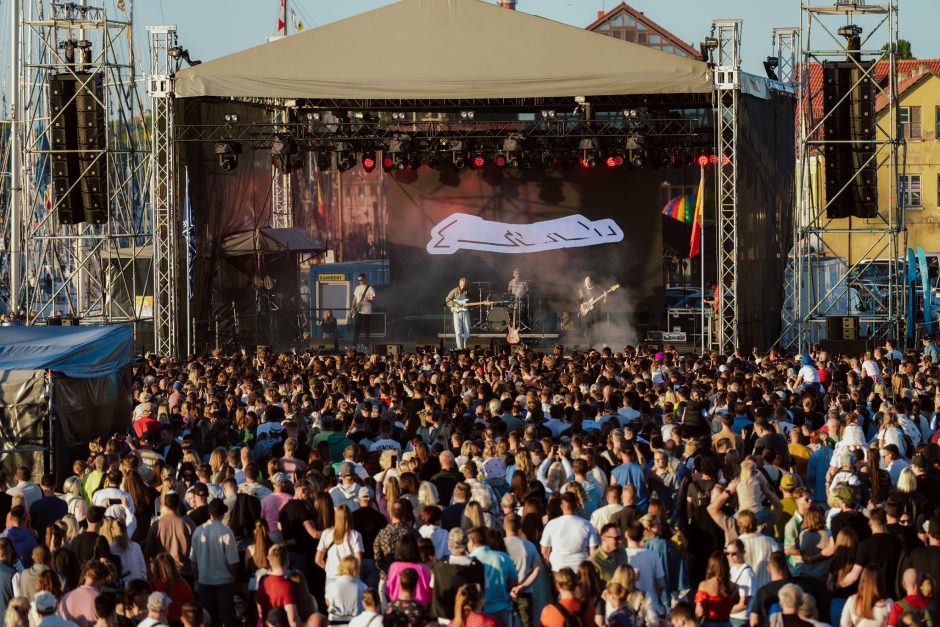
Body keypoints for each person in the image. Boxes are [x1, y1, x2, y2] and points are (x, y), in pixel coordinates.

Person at [189, 499, 239, 627]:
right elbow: (233, 562)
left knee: (206, 620)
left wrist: (196, 578)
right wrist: (234, 576)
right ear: (223, 514)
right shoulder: (227, 532)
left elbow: (193, 561)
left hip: (204, 581)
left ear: (209, 512)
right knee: (226, 619)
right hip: (225, 581)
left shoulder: (198, 531)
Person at [540, 493, 600, 573]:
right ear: (576, 505)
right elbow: (593, 552)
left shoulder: (551, 524)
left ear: (561, 506)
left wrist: (547, 571)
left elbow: (545, 553)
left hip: (558, 569)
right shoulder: (587, 525)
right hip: (581, 570)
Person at [694, 552, 739, 627]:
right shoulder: (734, 586)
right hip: (727, 623)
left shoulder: (704, 585)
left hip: (710, 623)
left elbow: (700, 611)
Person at [445, 277, 471, 351]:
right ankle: (460, 348)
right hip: (457, 312)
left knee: (467, 329)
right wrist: (454, 304)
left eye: (465, 285)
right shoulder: (455, 291)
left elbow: (469, 300)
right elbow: (447, 300)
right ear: (459, 284)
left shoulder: (467, 291)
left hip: (465, 311)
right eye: (462, 285)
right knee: (458, 331)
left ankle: (466, 347)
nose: (463, 287)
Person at [351, 274, 376, 350]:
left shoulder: (370, 288)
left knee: (366, 330)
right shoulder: (357, 288)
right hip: (359, 311)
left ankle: (366, 346)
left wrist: (368, 300)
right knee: (356, 329)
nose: (360, 281)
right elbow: (355, 298)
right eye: (359, 280)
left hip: (367, 312)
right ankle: (354, 346)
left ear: (364, 279)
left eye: (361, 280)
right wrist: (352, 307)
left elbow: (373, 299)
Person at [577, 276, 605, 340]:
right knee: (587, 332)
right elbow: (580, 301)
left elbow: (604, 302)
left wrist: (605, 297)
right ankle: (588, 343)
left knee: (596, 331)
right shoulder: (582, 290)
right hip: (586, 313)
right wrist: (581, 309)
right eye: (586, 282)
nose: (587, 284)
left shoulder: (598, 289)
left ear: (592, 282)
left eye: (588, 282)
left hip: (595, 313)